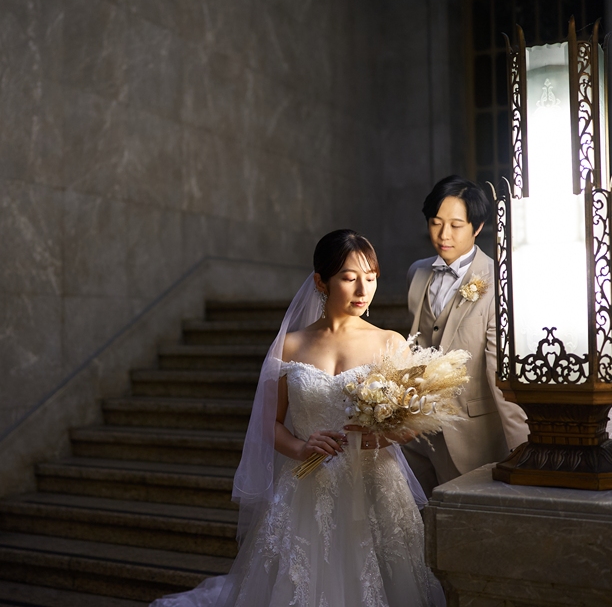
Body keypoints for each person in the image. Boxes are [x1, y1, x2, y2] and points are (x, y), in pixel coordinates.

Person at [151, 229, 444, 607]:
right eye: (349, 278)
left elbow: (410, 420)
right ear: (321, 281)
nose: (362, 291)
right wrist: (301, 446)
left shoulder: (390, 343)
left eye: (370, 279)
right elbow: (267, 423)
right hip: (305, 486)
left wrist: (377, 438)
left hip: (372, 484)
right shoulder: (291, 344)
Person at [401, 175, 529, 497]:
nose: (444, 235)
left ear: (478, 226)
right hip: (418, 434)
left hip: (472, 436)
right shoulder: (417, 273)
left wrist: (525, 451)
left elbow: (501, 371)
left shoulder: (500, 280)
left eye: (456, 225)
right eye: (435, 222)